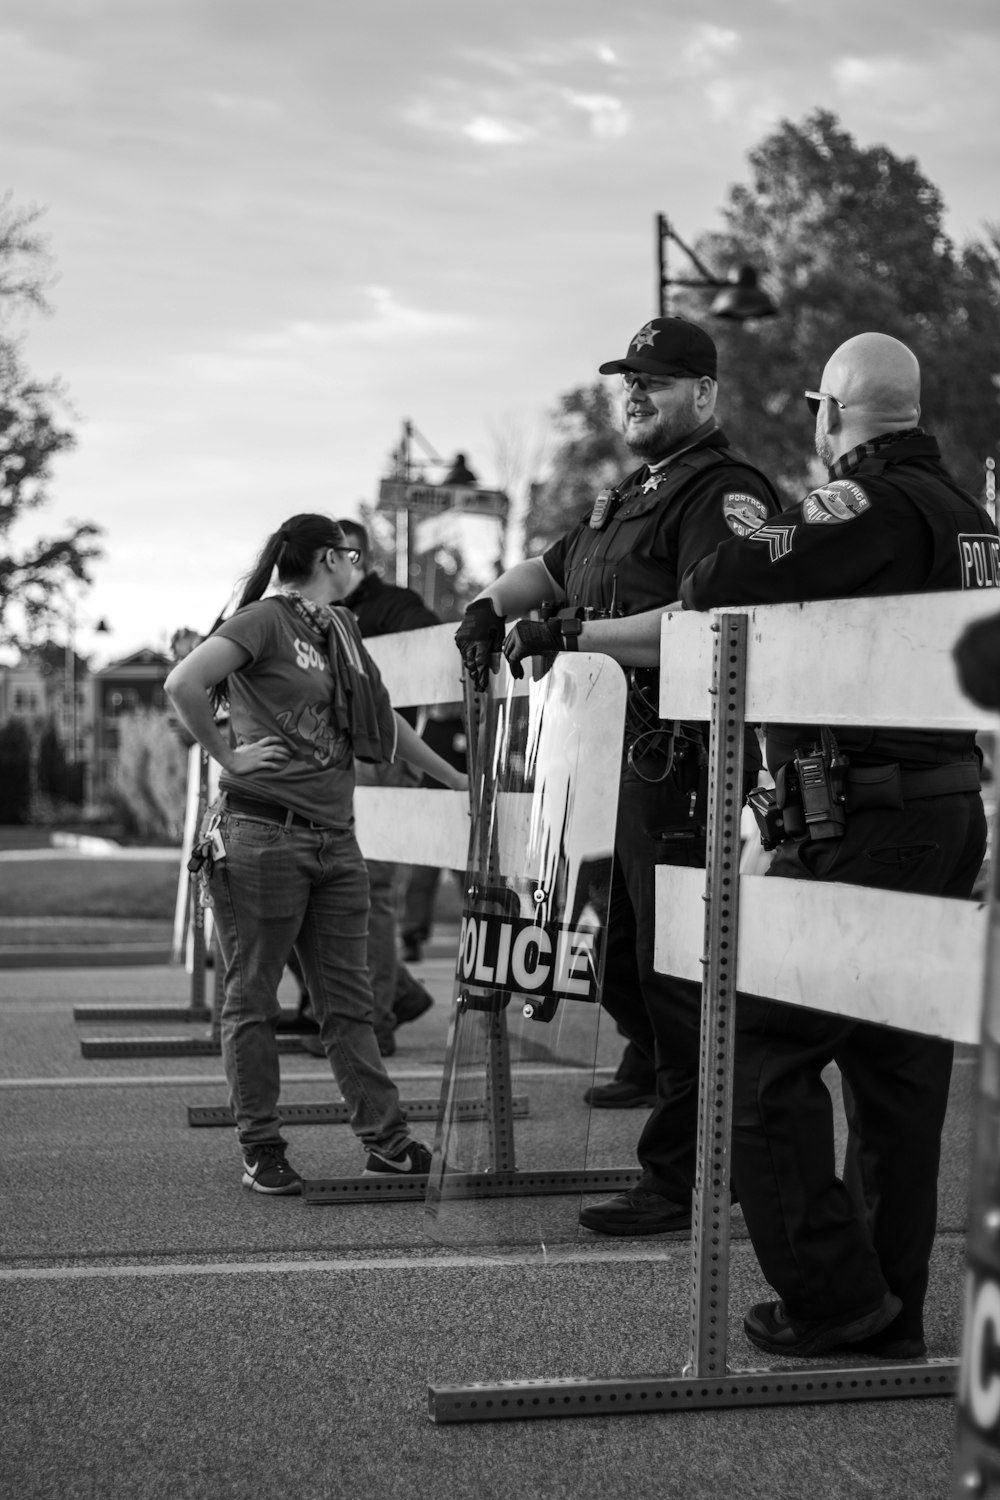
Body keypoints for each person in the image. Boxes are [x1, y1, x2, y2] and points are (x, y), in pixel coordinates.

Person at [678, 331, 994, 1358]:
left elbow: (720, 573)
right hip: (945, 807)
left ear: (831, 414)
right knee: (896, 1071)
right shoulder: (971, 519)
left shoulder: (868, 503)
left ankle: (829, 1292)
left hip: (867, 814)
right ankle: (883, 1308)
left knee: (754, 1051)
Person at [455, 314, 781, 1235]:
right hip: (596, 772)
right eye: (628, 381)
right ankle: (734, 1146)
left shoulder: (724, 495)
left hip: (678, 768)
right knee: (614, 972)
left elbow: (704, 618)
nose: (635, 393)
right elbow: (548, 570)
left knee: (677, 979)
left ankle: (686, 1175)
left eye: (658, 381)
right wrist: (490, 606)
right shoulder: (627, 496)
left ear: (705, 395)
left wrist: (572, 635)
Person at [164, 514, 467, 1196]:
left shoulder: (340, 629)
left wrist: (451, 778)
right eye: (354, 555)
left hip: (334, 838)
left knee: (350, 1004)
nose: (361, 566)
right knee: (252, 1001)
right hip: (262, 834)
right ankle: (261, 1149)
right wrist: (229, 754)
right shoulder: (265, 621)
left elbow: (378, 722)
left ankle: (387, 1146)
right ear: (332, 555)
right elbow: (182, 683)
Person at [335, 518, 445, 1050]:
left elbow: (434, 641)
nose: (340, 565)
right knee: (320, 887)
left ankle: (375, 1018)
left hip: (379, 757)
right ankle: (389, 994)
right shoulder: (311, 608)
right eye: (330, 555)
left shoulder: (390, 605)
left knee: (369, 891)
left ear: (365, 558)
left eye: (350, 555)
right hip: (326, 762)